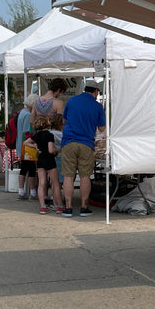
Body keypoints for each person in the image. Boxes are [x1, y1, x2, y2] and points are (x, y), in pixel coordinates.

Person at [60, 83, 106, 217]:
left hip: (68, 142)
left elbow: (63, 121)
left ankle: (68, 207)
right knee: (85, 176)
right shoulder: (97, 106)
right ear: (96, 91)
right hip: (86, 143)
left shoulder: (72, 100)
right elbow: (102, 128)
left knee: (68, 176)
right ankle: (84, 207)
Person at [31, 112, 64, 214]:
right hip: (50, 160)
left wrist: (36, 147)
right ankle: (59, 206)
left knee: (42, 183)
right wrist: (56, 150)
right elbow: (50, 150)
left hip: (40, 160)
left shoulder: (37, 135)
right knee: (55, 184)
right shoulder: (49, 135)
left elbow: (26, 142)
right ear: (48, 124)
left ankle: (43, 207)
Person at [16, 94, 36, 200]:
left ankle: (21, 191)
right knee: (31, 170)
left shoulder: (22, 112)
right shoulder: (28, 115)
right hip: (27, 146)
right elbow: (27, 133)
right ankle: (32, 192)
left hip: (20, 144)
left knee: (23, 169)